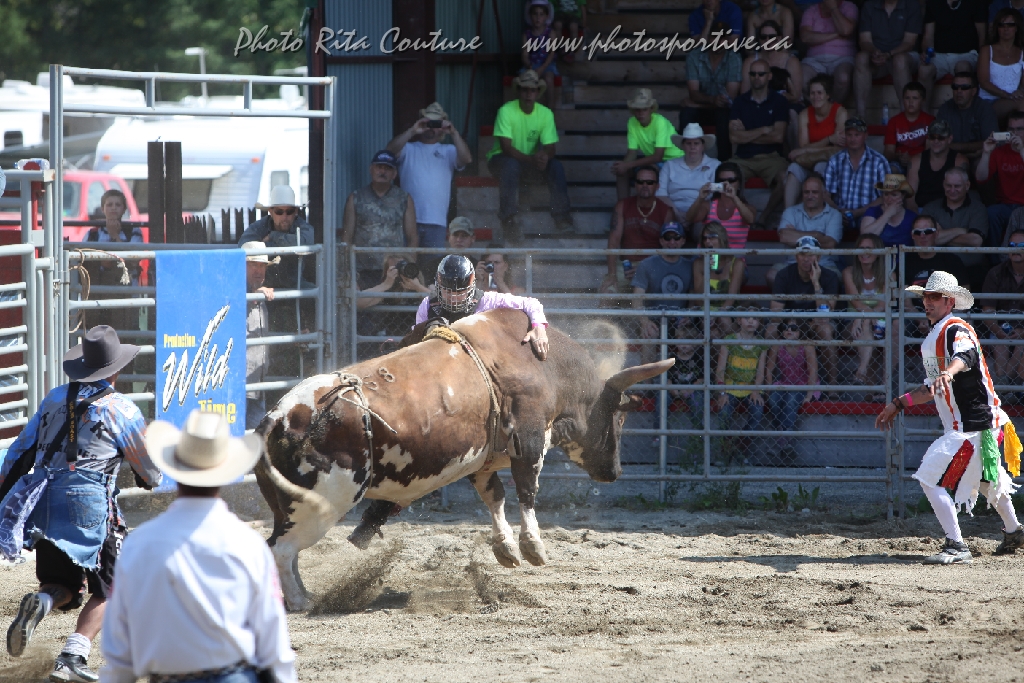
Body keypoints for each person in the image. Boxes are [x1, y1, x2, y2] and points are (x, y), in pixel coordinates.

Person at [1, 325, 162, 683]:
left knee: (64, 585)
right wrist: (151, 478)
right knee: (114, 585)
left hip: (44, 500)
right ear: (116, 369)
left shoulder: (54, 398)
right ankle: (73, 655)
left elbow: (19, 452)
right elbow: (149, 470)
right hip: (90, 503)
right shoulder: (121, 408)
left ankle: (42, 602)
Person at [100, 410, 296, 683]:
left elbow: (119, 643)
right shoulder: (248, 544)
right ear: (224, 474)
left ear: (176, 471)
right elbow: (272, 637)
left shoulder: (140, 544)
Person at [875, 271, 1024, 565]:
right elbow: (932, 388)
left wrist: (948, 371)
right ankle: (1014, 531)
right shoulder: (937, 336)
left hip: (972, 426)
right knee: (987, 480)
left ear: (949, 302)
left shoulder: (956, 329)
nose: (928, 302)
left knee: (929, 478)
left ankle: (956, 545)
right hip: (980, 424)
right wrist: (898, 403)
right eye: (926, 297)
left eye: (935, 297)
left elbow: (965, 356)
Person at [486, 69, 573, 243]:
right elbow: (506, 148)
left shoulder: (545, 113)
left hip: (528, 162)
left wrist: (544, 156)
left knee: (555, 166)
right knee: (510, 164)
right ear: (518, 91)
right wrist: (533, 160)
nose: (528, 94)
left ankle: (562, 218)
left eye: (532, 90)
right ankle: (508, 220)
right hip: (500, 160)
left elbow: (551, 147)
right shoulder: (506, 111)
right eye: (525, 89)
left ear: (538, 93)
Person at [386, 101, 472, 272]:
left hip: (436, 221)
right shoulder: (408, 148)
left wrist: (453, 132)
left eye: (436, 123)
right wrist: (413, 130)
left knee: (432, 270)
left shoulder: (449, 150)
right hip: (408, 221)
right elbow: (389, 151)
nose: (431, 127)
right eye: (428, 122)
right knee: (404, 269)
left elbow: (466, 159)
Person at [414, 255, 550, 358]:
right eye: (448, 292)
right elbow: (415, 341)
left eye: (460, 292)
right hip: (439, 360)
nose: (454, 297)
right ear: (438, 287)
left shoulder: (486, 300)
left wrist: (538, 327)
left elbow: (531, 303)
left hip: (478, 359)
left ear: (471, 288)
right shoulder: (428, 304)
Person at [340, 150, 418, 288]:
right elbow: (347, 238)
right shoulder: (355, 198)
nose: (383, 171)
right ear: (371, 169)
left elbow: (412, 237)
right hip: (363, 271)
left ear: (394, 174)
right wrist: (348, 273)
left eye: (388, 168)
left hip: (394, 269)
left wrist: (408, 269)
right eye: (379, 167)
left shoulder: (404, 198)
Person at [770, 236, 841, 385]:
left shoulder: (830, 276)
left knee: (826, 330)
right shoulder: (783, 275)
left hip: (816, 325)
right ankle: (767, 384)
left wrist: (816, 283)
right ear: (796, 256)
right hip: (790, 324)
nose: (806, 259)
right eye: (802, 254)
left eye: (811, 254)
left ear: (819, 257)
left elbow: (826, 314)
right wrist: (798, 324)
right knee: (771, 330)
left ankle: (833, 386)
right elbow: (775, 314)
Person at [728, 58, 790, 225]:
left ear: (769, 76)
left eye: (761, 74)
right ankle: (746, 215)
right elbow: (733, 138)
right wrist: (763, 130)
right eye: (753, 74)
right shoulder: (739, 101)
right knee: (724, 176)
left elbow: (778, 137)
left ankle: (763, 218)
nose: (757, 77)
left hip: (771, 157)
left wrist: (746, 134)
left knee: (786, 178)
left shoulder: (779, 101)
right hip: (742, 158)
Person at [601, 166, 675, 294]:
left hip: (653, 267)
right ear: (635, 185)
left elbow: (669, 249)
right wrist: (612, 274)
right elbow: (613, 242)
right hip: (625, 266)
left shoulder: (666, 211)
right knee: (607, 293)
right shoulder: (622, 206)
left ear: (657, 186)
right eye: (640, 182)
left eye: (650, 182)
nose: (645, 185)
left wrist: (646, 269)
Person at [83, 188, 144, 334]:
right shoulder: (93, 233)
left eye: (118, 205)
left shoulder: (134, 231)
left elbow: (134, 260)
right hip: (98, 292)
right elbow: (82, 258)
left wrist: (115, 236)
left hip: (126, 292)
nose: (113, 208)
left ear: (124, 209)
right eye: (109, 205)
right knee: (97, 332)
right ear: (103, 208)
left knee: (125, 332)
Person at [783, 73, 847, 208]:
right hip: (808, 161)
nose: (815, 97)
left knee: (821, 167)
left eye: (819, 93)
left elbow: (838, 149)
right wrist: (828, 139)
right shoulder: (805, 114)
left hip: (831, 162)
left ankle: (820, 211)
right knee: (793, 168)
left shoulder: (840, 112)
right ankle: (788, 214)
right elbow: (803, 146)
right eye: (812, 93)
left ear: (828, 95)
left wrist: (807, 149)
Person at [680, 25, 742, 162]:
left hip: (721, 110)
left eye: (722, 37)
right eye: (714, 36)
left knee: (723, 116)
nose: (718, 41)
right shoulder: (694, 56)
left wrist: (698, 104)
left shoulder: (734, 58)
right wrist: (713, 101)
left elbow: (728, 100)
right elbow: (693, 93)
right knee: (686, 113)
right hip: (704, 108)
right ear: (708, 38)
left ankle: (724, 163)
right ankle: (686, 160)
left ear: (727, 40)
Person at [770, 175, 844, 288]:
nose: (810, 196)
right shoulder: (790, 212)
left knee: (834, 277)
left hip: (823, 265)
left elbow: (830, 243)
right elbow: (784, 236)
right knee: (771, 275)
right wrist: (817, 235)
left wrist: (795, 233)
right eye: (806, 192)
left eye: (814, 192)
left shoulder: (834, 214)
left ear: (824, 194)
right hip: (792, 264)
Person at [714, 309, 768, 463]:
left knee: (757, 411)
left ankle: (739, 449)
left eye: (755, 318)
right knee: (724, 413)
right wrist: (722, 393)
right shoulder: (729, 340)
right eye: (746, 317)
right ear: (738, 320)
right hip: (730, 387)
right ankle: (725, 450)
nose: (750, 321)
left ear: (759, 323)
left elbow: (760, 372)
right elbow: (720, 370)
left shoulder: (761, 344)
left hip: (751, 387)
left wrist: (756, 391)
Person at [853, 0, 922, 120]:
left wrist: (889, 54)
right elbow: (864, 41)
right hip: (878, 59)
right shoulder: (870, 5)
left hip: (905, 56)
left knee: (899, 60)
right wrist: (875, 52)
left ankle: (906, 115)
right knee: (861, 58)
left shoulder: (911, 5)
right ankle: (860, 116)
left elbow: (909, 42)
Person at [740, 21, 804, 149]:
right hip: (758, 103)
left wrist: (774, 99)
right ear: (759, 40)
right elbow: (744, 93)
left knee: (791, 113)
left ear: (779, 38)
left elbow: (797, 96)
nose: (767, 40)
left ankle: (795, 155)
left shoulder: (791, 60)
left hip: (787, 104)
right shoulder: (750, 61)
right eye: (763, 37)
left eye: (772, 37)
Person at [903, 215, 969, 338]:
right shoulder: (905, 262)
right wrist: (920, 319)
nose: (923, 236)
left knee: (963, 325)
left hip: (947, 316)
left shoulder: (952, 260)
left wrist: (943, 320)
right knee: (897, 324)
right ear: (912, 235)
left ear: (936, 233)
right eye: (918, 232)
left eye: (928, 231)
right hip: (915, 317)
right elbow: (906, 302)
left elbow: (963, 297)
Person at [239, 185, 316, 290]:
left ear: (296, 212)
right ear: (270, 212)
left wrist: (272, 237)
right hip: (264, 288)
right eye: (279, 212)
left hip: (295, 287)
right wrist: (285, 245)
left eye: (289, 211)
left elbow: (306, 242)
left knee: (316, 292)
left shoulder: (302, 226)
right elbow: (243, 246)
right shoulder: (259, 227)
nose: (284, 217)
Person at [631, 222, 694, 350]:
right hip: (653, 319)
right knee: (649, 334)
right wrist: (645, 321)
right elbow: (637, 299)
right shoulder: (646, 264)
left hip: (680, 321)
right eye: (667, 237)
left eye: (676, 238)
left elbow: (694, 298)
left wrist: (689, 316)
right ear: (661, 241)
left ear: (683, 240)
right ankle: (649, 365)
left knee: (689, 337)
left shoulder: (691, 266)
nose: (672, 242)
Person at [612, 89, 683, 201]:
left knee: (648, 172)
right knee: (623, 173)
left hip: (674, 161)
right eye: (637, 109)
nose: (641, 113)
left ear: (651, 109)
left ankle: (650, 207)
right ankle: (621, 208)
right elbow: (632, 152)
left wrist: (628, 165)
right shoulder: (632, 122)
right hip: (654, 162)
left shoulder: (660, 122)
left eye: (644, 109)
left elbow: (658, 156)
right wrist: (622, 166)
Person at [766, 315, 819, 464]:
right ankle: (784, 441)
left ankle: (782, 440)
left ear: (801, 330)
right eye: (785, 327)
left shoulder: (807, 346)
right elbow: (769, 370)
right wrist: (768, 390)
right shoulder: (778, 345)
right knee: (773, 400)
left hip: (804, 384)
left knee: (791, 400)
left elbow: (813, 372)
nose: (789, 330)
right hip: (784, 383)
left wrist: (809, 394)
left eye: (794, 328)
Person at [917, 0, 986, 111]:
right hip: (939, 55)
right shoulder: (934, 3)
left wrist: (982, 59)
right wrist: (926, 52)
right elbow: (928, 37)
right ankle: (923, 116)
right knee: (924, 70)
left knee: (963, 67)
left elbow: (982, 36)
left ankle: (964, 115)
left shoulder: (975, 2)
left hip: (967, 54)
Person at [843, 234, 890, 395]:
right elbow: (856, 303)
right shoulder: (849, 272)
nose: (864, 252)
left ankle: (863, 373)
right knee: (866, 325)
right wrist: (863, 317)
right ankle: (865, 376)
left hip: (880, 321)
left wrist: (863, 316)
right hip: (852, 323)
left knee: (869, 324)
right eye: (861, 248)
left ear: (878, 252)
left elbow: (883, 305)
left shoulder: (889, 274)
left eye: (869, 248)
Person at [824, 117, 890, 223]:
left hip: (868, 215)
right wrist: (838, 211)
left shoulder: (879, 161)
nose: (852, 139)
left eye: (857, 135)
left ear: (865, 135)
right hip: (838, 214)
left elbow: (885, 196)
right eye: (849, 135)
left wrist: (858, 212)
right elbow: (826, 195)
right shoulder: (834, 161)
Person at [980, 230, 1024, 388]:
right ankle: (1006, 385)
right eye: (1011, 245)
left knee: (1021, 344)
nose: (1015, 249)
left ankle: (1004, 385)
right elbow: (987, 310)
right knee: (999, 341)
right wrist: (999, 331)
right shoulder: (996, 272)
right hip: (1001, 328)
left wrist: (1022, 331)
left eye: (1021, 245)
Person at [242, 242, 277, 430]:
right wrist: (254, 295)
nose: (259, 270)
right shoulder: (235, 290)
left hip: (257, 380)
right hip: (241, 381)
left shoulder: (260, 295)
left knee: (254, 434)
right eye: (253, 264)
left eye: (262, 265)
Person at [977, 113, 1024, 247]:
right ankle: (995, 258)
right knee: (991, 213)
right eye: (1011, 129)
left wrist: (1021, 150)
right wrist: (986, 152)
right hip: (1005, 206)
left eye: (1020, 129)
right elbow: (980, 178)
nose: (1015, 133)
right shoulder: (1000, 152)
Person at [800, 0, 859, 106]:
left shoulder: (849, 7)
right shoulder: (811, 10)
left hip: (843, 57)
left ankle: (831, 109)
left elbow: (846, 30)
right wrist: (836, 35)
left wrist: (833, 8)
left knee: (843, 78)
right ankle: (818, 109)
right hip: (814, 59)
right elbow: (805, 37)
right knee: (800, 78)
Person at [657, 124, 720, 222]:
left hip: (702, 213)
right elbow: (661, 194)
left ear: (703, 146)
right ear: (683, 146)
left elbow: (717, 194)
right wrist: (675, 213)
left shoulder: (715, 165)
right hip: (672, 211)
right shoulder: (669, 165)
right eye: (688, 143)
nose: (692, 147)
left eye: (696, 143)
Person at [692, 222, 746, 332]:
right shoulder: (698, 264)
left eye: (712, 237)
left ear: (722, 239)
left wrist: (717, 314)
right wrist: (708, 270)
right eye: (705, 238)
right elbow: (698, 299)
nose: (708, 241)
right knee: (712, 331)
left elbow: (731, 298)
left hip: (729, 311)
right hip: (705, 311)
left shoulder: (737, 263)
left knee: (723, 320)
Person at [686, 162, 756, 247]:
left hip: (734, 255)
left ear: (739, 183)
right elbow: (690, 218)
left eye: (731, 180)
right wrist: (700, 198)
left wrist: (734, 197)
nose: (726, 184)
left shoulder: (747, 208)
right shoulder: (708, 205)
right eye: (721, 181)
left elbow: (750, 220)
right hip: (711, 255)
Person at [907, 119, 970, 211]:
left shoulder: (959, 161)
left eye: (941, 137)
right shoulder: (916, 161)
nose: (936, 141)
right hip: (921, 211)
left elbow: (960, 196)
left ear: (950, 139)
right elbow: (910, 198)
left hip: (948, 211)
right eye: (932, 137)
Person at [936, 71, 999, 161]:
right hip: (951, 158)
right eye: (955, 87)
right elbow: (938, 142)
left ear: (973, 91)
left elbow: (991, 141)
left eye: (964, 87)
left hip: (980, 158)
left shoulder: (984, 108)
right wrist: (965, 150)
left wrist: (955, 147)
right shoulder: (945, 109)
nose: (959, 91)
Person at [919, 167, 987, 248]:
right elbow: (926, 238)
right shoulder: (930, 208)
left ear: (967, 185)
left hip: (967, 257)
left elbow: (975, 241)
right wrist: (960, 230)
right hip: (938, 256)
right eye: (948, 185)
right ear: (943, 184)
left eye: (957, 186)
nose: (952, 190)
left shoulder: (978, 208)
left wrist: (941, 236)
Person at [978, 9, 1024, 120]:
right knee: (1021, 103)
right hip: (989, 101)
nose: (1006, 28)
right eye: (1002, 25)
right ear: (997, 28)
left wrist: (1020, 91)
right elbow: (984, 82)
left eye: (1010, 25)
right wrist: (1006, 95)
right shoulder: (987, 50)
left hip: (1013, 99)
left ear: (1016, 28)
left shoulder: (1022, 52)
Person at [883, 82, 935, 174]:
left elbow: (930, 151)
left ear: (923, 100)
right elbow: (888, 152)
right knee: (891, 169)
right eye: (907, 98)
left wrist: (912, 158)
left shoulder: (930, 121)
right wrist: (898, 156)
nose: (910, 102)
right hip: (899, 162)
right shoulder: (894, 121)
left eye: (915, 98)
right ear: (903, 99)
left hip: (922, 162)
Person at [859, 174, 918, 246]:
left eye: (894, 195)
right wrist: (887, 215)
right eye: (886, 194)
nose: (889, 199)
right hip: (879, 253)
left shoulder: (912, 217)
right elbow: (865, 238)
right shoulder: (872, 211)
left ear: (903, 196)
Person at [522, 0, 559, 108]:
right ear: (530, 16)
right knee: (523, 79)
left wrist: (542, 68)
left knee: (548, 79)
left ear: (546, 16)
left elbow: (552, 53)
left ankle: (550, 110)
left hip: (547, 65)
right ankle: (526, 109)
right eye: (535, 14)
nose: (538, 18)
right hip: (532, 65)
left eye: (541, 14)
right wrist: (529, 66)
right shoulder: (527, 35)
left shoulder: (550, 33)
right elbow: (525, 55)